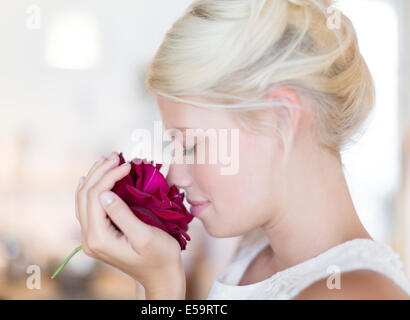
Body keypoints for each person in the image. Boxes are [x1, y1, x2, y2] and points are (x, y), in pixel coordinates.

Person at [75, 0, 410, 299]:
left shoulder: (354, 293)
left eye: (191, 145)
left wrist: (162, 286)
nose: (175, 175)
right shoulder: (254, 252)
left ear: (280, 117)